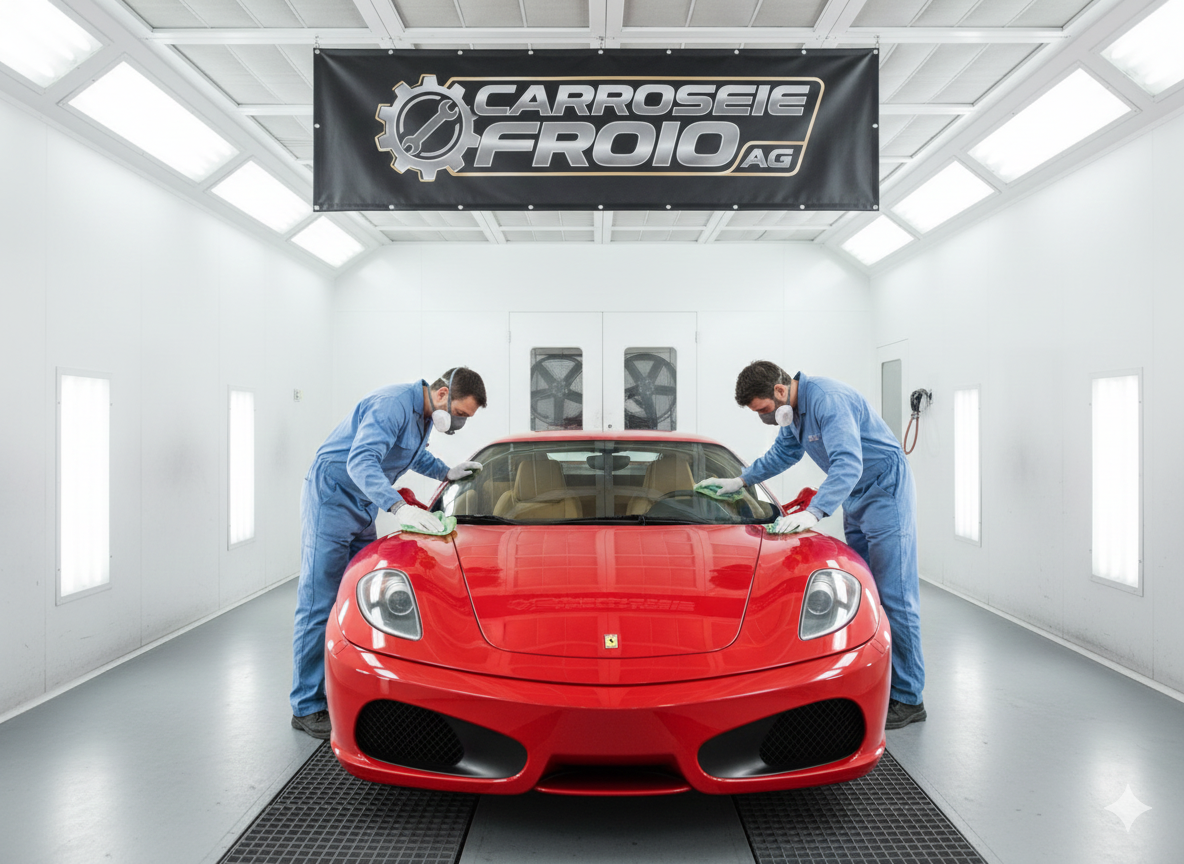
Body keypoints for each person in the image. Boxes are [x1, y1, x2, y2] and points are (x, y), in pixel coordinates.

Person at [700, 361, 926, 729]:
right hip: (855, 494)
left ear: (779, 390)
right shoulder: (794, 412)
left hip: (884, 490)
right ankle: (879, 684)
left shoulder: (827, 400)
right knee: (868, 593)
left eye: (763, 409)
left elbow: (848, 463)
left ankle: (909, 697)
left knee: (896, 595)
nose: (764, 418)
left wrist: (814, 511)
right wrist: (741, 481)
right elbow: (783, 454)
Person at [290, 368, 486, 738]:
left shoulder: (422, 416)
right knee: (319, 600)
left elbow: (412, 457)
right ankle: (306, 706)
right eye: (460, 413)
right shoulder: (391, 405)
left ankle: (344, 690)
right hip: (332, 497)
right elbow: (360, 462)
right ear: (442, 394)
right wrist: (399, 507)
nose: (460, 422)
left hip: (363, 503)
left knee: (358, 596)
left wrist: (447, 473)